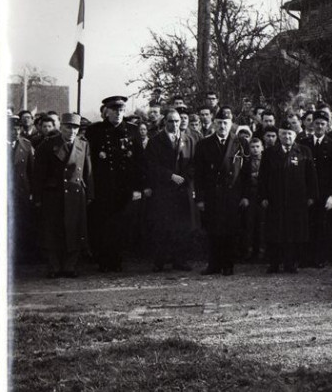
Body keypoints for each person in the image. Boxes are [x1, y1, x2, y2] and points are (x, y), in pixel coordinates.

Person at [85, 95, 146, 272]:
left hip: (124, 187)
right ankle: (103, 260)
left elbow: (140, 162)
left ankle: (117, 259)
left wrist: (138, 187)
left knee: (121, 225)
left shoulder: (132, 130)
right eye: (115, 110)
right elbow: (90, 161)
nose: (119, 114)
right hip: (103, 187)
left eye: (121, 110)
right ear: (107, 112)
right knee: (102, 224)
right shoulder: (95, 130)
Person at [33, 113, 93, 278]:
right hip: (54, 194)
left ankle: (70, 266)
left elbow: (88, 171)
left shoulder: (83, 144)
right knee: (53, 231)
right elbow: (38, 174)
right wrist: (37, 197)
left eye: (75, 128)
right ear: (61, 128)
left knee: (75, 229)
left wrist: (90, 193)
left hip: (75, 193)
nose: (72, 131)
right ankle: (54, 266)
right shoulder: (48, 145)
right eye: (68, 127)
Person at [258, 120, 318, 274]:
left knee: (293, 232)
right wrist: (263, 196)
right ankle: (274, 263)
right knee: (275, 232)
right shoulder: (270, 153)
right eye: (283, 133)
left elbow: (311, 176)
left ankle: (290, 263)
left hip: (296, 200)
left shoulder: (304, 151)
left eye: (290, 133)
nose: (287, 136)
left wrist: (312, 195)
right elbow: (262, 177)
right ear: (279, 135)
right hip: (275, 199)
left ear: (295, 134)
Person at [194, 107, 248, 275]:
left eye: (225, 123)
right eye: (219, 123)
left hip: (232, 194)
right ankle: (213, 264)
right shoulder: (204, 144)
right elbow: (199, 174)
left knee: (230, 231)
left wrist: (245, 196)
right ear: (214, 124)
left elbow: (245, 173)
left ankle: (228, 265)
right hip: (213, 195)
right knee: (213, 231)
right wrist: (200, 198)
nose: (222, 126)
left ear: (231, 124)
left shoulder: (241, 143)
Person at [145, 108, 197, 272]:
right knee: (163, 225)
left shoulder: (188, 140)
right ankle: (159, 260)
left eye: (177, 121)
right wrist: (170, 176)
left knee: (182, 226)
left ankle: (179, 260)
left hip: (182, 189)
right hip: (164, 190)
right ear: (164, 122)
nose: (174, 124)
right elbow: (151, 166)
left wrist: (186, 178)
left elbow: (193, 164)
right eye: (171, 121)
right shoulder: (155, 141)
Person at [301, 110, 332, 267]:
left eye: (323, 124)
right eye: (316, 123)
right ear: (312, 124)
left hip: (324, 192)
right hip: (307, 191)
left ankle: (320, 258)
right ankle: (305, 258)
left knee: (322, 226)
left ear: (327, 125)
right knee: (306, 224)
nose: (319, 126)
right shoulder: (304, 143)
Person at [7, 115, 36, 265]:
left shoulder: (26, 145)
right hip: (2, 193)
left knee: (21, 224)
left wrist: (31, 192)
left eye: (18, 128)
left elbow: (32, 172)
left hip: (21, 192)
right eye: (11, 128)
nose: (15, 131)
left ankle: (20, 257)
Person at [240, 137, 265, 261]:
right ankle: (249, 252)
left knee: (262, 225)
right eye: (252, 147)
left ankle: (262, 252)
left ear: (262, 148)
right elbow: (243, 181)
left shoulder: (266, 162)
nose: (255, 150)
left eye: (257, 147)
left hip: (263, 198)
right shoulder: (246, 163)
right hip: (250, 197)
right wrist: (244, 196)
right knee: (249, 224)